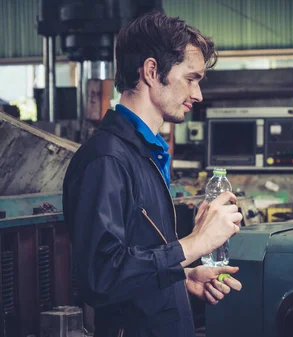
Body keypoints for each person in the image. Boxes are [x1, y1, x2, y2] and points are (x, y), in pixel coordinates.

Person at [63, 11, 242, 337]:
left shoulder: (145, 154)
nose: (198, 95)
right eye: (191, 79)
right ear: (151, 71)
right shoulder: (106, 161)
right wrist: (196, 243)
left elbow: (138, 260)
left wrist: (180, 279)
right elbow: (101, 278)